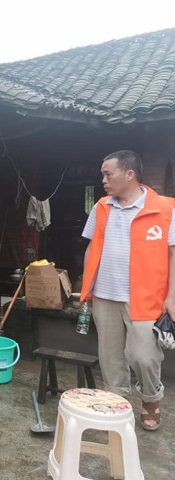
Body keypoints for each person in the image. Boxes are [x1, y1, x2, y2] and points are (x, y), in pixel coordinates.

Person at [81, 150, 175, 431]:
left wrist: (172, 296)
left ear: (129, 174)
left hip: (146, 297)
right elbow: (91, 247)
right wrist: (86, 288)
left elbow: (173, 255)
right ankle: (116, 402)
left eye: (108, 174)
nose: (103, 180)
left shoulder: (165, 208)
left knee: (144, 356)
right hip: (105, 294)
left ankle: (150, 399)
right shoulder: (101, 207)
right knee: (110, 357)